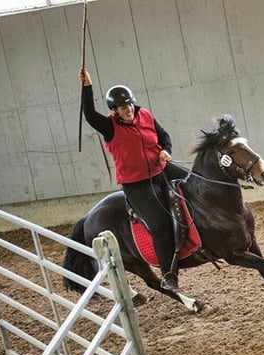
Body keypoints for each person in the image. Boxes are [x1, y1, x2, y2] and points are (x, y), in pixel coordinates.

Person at [78, 68, 187, 292]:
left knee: (195, 182)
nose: (127, 109)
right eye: (122, 107)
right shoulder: (110, 127)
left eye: (128, 105)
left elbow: (164, 136)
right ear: (115, 111)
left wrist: (166, 150)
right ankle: (169, 274)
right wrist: (87, 86)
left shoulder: (145, 115)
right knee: (159, 224)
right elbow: (89, 114)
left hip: (160, 169)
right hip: (137, 184)